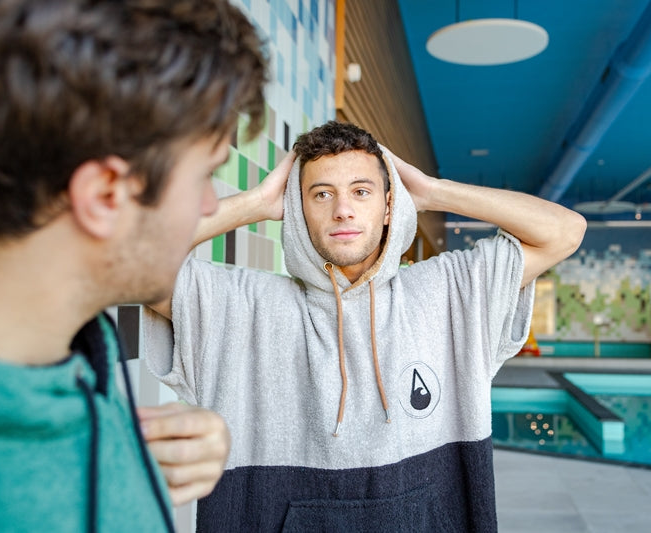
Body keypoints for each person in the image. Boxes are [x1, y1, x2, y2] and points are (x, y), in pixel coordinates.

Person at [147, 120, 587, 531]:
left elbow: (565, 231)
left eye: (361, 191)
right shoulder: (242, 307)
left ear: (388, 205)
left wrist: (433, 192)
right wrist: (256, 202)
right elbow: (135, 259)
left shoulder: (452, 291)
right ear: (296, 209)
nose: (342, 210)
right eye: (321, 194)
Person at [0, 0, 268, 531]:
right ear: (107, 194)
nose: (209, 205)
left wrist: (119, 454)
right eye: (207, 174)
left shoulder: (82, 348)